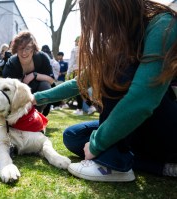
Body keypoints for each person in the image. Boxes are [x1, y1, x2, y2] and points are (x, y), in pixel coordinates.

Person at [33, 0, 177, 181]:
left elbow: (143, 99)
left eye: (97, 19)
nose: (98, 30)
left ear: (113, 8)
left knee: (116, 69)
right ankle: (160, 167)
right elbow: (80, 82)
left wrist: (96, 144)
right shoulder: (122, 40)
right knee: (74, 137)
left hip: (167, 128)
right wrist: (34, 98)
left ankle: (113, 165)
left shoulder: (163, 25)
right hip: (144, 130)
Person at [2, 31, 55, 115]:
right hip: (19, 95)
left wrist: (34, 75)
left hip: (38, 92)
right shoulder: (12, 63)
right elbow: (5, 86)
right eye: (21, 48)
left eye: (28, 48)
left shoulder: (42, 57)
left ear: (33, 48)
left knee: (45, 85)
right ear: (16, 48)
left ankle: (36, 115)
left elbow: (51, 80)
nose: (24, 53)